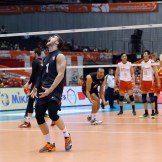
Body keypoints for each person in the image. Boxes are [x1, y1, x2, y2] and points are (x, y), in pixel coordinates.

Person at [31, 34, 72, 152]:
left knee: (53, 114)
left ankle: (67, 135)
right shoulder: (46, 57)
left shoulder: (60, 56)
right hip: (44, 89)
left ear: (57, 42)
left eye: (54, 37)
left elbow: (61, 74)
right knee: (39, 116)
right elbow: (41, 75)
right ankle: (50, 143)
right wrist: (35, 87)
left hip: (54, 90)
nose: (50, 37)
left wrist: (51, 89)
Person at [19, 49, 42, 128]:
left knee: (30, 103)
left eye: (33, 53)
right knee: (42, 102)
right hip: (41, 85)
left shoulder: (35, 62)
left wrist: (28, 83)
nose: (32, 55)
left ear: (35, 54)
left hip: (35, 85)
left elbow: (33, 75)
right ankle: (53, 119)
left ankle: (27, 122)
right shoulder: (41, 62)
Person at [139, 50, 160, 118]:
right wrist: (140, 82)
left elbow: (156, 73)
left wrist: (158, 82)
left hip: (150, 81)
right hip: (144, 82)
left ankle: (153, 113)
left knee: (151, 98)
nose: (144, 55)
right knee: (144, 98)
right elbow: (141, 73)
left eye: (145, 54)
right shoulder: (142, 63)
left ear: (148, 55)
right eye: (143, 54)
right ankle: (146, 113)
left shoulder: (152, 62)